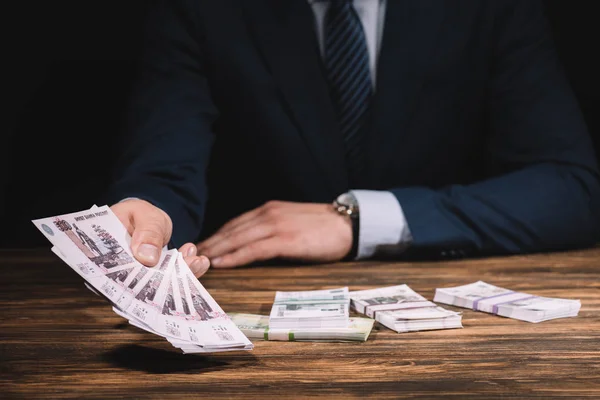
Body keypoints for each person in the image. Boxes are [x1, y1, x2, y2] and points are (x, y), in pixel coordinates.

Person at [108, 0, 600, 278]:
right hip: (250, 295)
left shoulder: (491, 10)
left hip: (449, 308)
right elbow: (165, 165)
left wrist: (361, 219)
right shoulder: (200, 12)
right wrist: (149, 216)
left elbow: (572, 189)